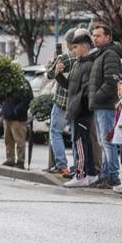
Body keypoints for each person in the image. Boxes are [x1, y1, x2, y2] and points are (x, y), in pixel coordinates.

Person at [57, 31, 99, 188]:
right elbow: (70, 86)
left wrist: (79, 106)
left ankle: (81, 174)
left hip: (82, 111)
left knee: (80, 143)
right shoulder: (77, 63)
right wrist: (59, 75)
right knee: (83, 142)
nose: (73, 50)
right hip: (77, 110)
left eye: (75, 47)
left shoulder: (88, 64)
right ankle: (90, 174)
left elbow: (87, 90)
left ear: (84, 47)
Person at [88, 24, 122, 189]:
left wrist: (96, 97)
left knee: (107, 141)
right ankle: (106, 174)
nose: (95, 38)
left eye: (98, 36)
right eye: (93, 35)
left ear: (108, 37)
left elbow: (112, 81)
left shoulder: (109, 54)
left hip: (105, 105)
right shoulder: (100, 54)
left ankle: (113, 176)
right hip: (100, 105)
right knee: (104, 141)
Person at [45, 30, 76, 177]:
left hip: (62, 101)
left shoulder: (65, 57)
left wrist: (53, 61)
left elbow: (50, 74)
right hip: (77, 102)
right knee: (76, 135)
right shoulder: (86, 57)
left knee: (55, 132)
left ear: (69, 43)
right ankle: (77, 165)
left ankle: (61, 165)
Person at [0, 79, 33, 169]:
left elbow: (29, 98)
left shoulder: (24, 83)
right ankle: (10, 159)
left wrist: (18, 110)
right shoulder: (7, 82)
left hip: (18, 118)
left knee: (19, 140)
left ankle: (20, 161)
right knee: (8, 140)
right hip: (7, 116)